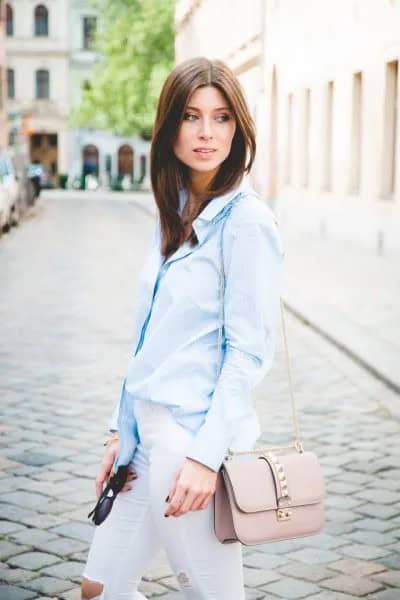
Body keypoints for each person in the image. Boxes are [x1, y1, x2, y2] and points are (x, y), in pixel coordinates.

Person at [81, 56, 284, 600]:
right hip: (143, 438)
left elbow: (248, 353)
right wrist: (117, 428)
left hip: (186, 445)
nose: (205, 133)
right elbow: (149, 337)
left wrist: (204, 457)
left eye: (221, 118)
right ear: (169, 127)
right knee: (100, 590)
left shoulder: (246, 222)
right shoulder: (173, 210)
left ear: (238, 128)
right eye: (191, 116)